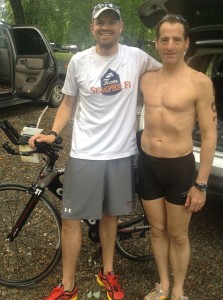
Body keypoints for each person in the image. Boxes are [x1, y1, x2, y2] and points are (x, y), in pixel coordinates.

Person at [29, 2, 161, 300]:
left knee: (110, 215)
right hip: (85, 153)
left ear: (120, 27)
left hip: (120, 154)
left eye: (112, 22)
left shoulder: (137, 57)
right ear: (92, 27)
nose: (106, 27)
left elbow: (166, 74)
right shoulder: (79, 61)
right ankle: (68, 286)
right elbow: (67, 103)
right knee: (71, 218)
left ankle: (108, 272)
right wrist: (52, 132)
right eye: (100, 22)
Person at [138, 14, 217, 300]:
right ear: (157, 43)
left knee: (179, 234)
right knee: (157, 230)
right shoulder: (146, 79)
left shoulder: (200, 82)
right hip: (147, 165)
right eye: (164, 39)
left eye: (176, 39)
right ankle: (163, 284)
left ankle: (179, 289)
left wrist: (202, 184)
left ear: (186, 43)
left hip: (179, 168)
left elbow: (209, 135)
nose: (169, 45)